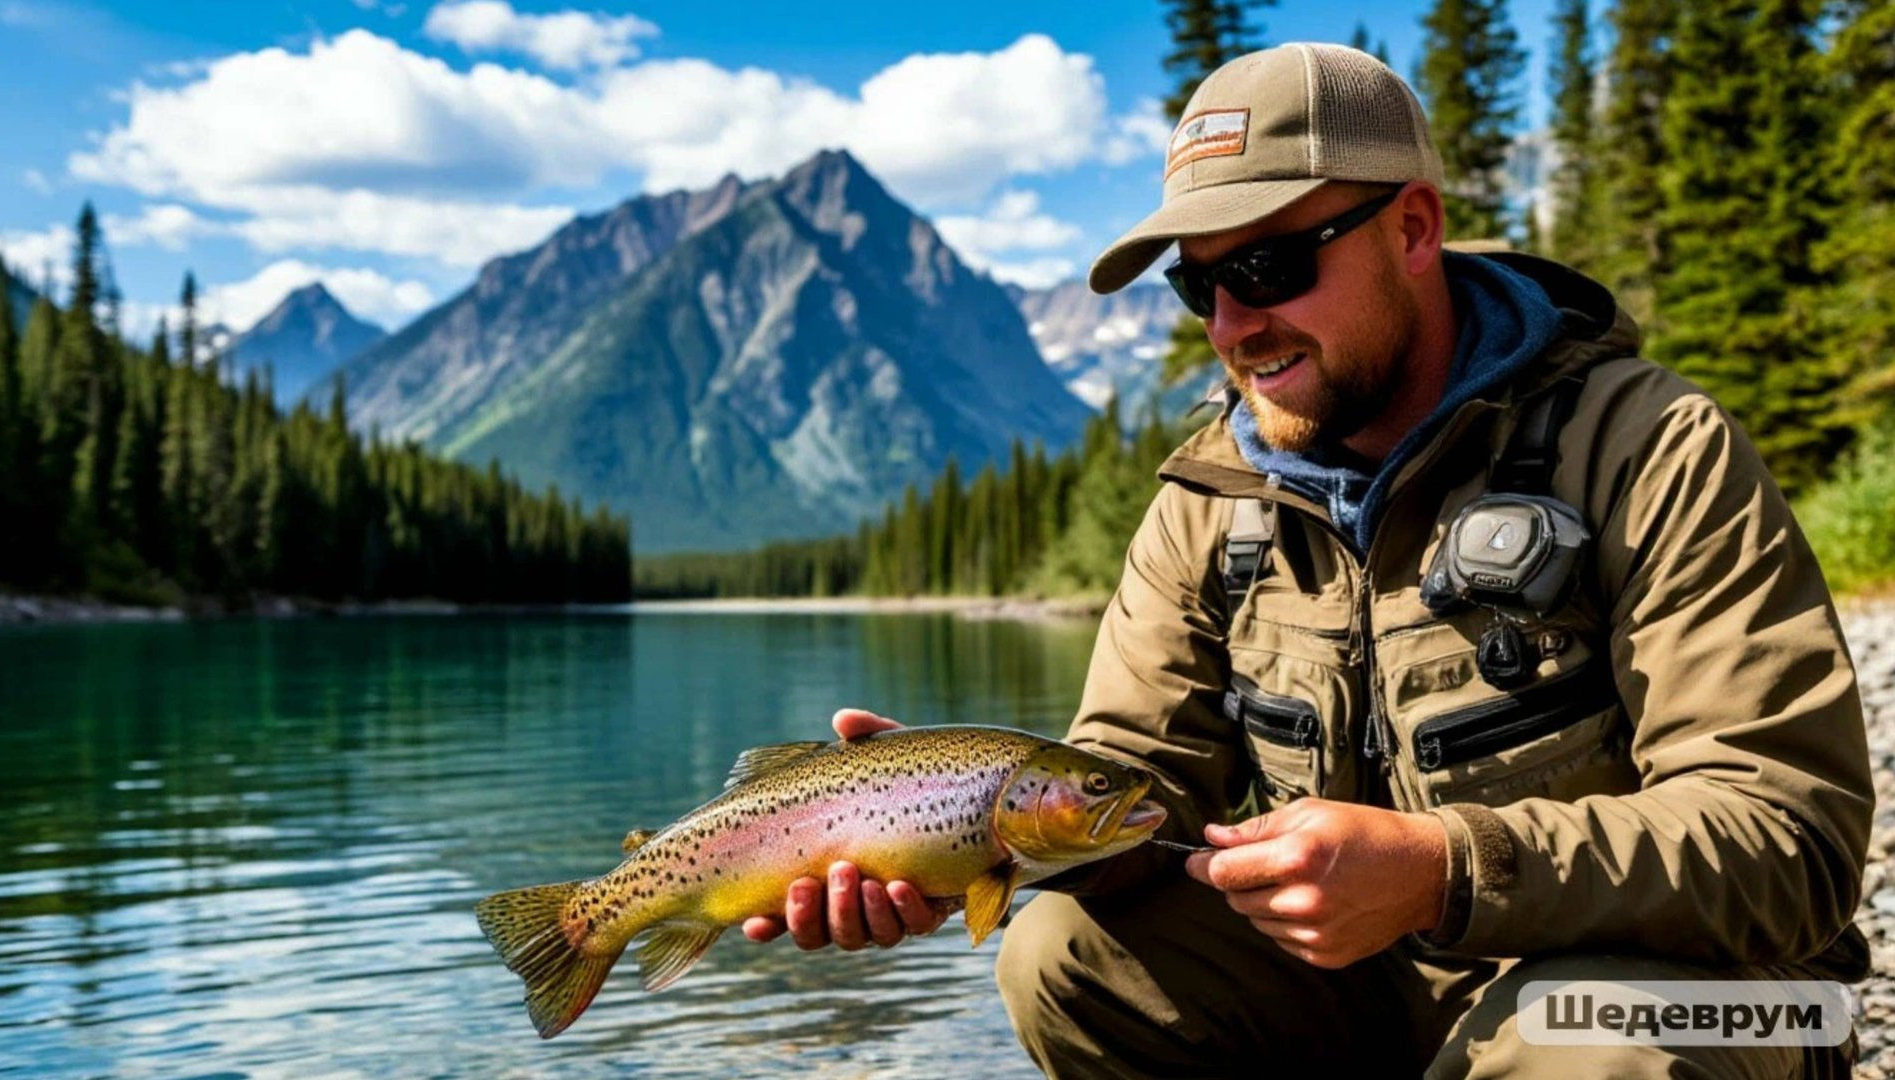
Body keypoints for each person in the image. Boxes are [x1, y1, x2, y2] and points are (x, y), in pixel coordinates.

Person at [745, 42, 1874, 1077]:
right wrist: (969, 828)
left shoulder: (1647, 446)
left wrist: (1443, 868)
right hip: (1382, 996)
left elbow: (1796, 841)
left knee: (1593, 1056)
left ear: (1415, 229)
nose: (1235, 326)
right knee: (1063, 955)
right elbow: (1137, 781)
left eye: (1274, 265)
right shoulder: (1207, 499)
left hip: (1732, 1005)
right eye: (1200, 286)